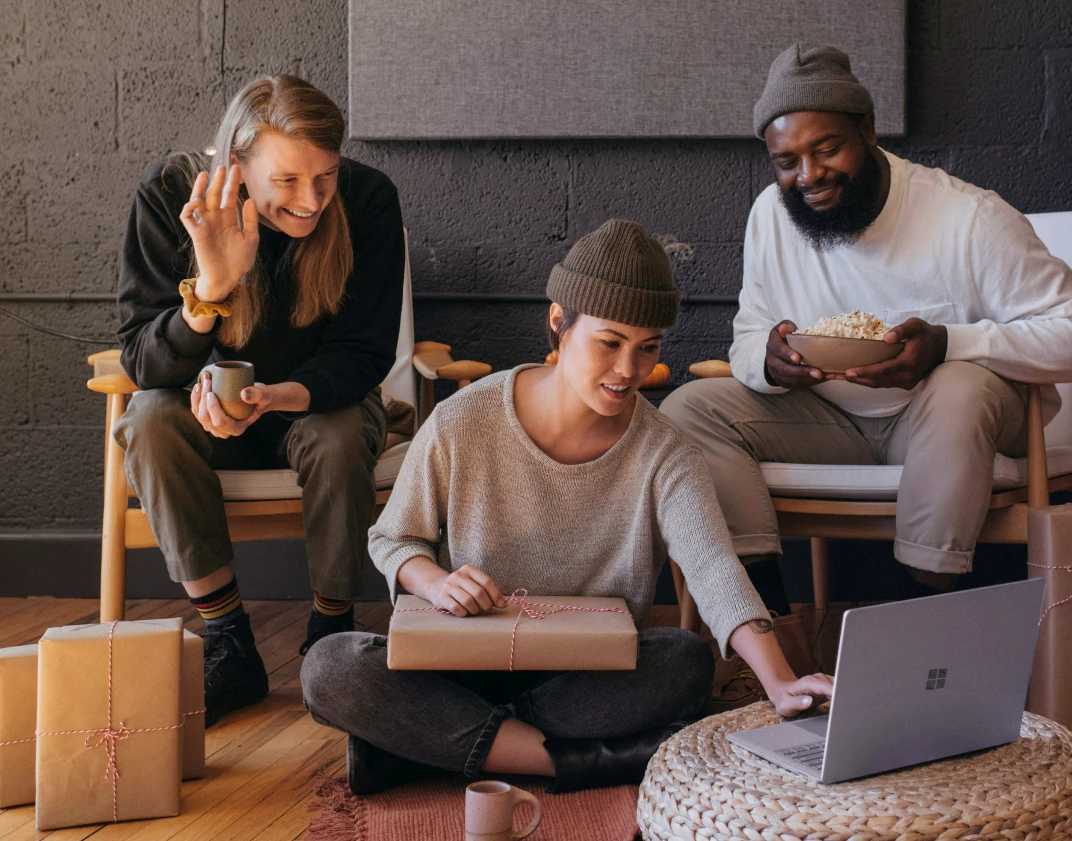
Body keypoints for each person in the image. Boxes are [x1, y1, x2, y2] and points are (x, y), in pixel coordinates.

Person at [301, 220, 833, 795]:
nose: (630, 370)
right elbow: (392, 539)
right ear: (559, 323)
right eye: (610, 343)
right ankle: (574, 763)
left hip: (584, 678)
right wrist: (434, 583)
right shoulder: (464, 419)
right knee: (330, 667)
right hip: (458, 666)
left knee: (682, 660)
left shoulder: (667, 452)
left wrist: (780, 682)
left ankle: (424, 753)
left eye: (647, 347)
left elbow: (712, 567)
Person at [662, 42, 1072, 592]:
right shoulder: (771, 216)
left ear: (868, 130)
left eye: (827, 149)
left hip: (958, 421)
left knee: (961, 385)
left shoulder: (969, 218)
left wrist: (948, 344)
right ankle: (769, 625)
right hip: (831, 422)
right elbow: (749, 332)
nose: (809, 175)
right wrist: (769, 360)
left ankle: (927, 608)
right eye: (786, 162)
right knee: (689, 408)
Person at [114, 74, 407, 726]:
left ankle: (331, 631)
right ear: (237, 164)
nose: (310, 201)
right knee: (149, 423)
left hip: (315, 402)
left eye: (324, 176)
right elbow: (142, 359)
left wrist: (282, 395)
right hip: (204, 411)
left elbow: (363, 353)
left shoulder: (367, 201)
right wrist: (214, 284)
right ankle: (228, 640)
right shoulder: (168, 197)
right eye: (287, 182)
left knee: (336, 435)